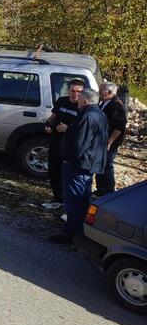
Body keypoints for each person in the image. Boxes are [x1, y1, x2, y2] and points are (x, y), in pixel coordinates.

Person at [51, 89, 109, 244]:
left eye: (80, 98)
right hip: (88, 164)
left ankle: (71, 233)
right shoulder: (99, 113)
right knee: (83, 198)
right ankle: (82, 230)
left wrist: (68, 159)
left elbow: (79, 144)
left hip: (78, 164)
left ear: (86, 101)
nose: (77, 101)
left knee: (74, 199)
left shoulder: (88, 116)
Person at [44, 79, 84, 204]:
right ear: (68, 90)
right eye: (72, 90)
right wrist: (48, 124)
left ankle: (68, 201)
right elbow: (53, 117)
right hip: (56, 142)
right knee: (53, 170)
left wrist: (68, 129)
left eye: (78, 91)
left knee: (66, 174)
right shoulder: (62, 101)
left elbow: (83, 130)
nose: (75, 94)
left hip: (71, 146)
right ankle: (57, 198)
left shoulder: (83, 107)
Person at [96, 82, 127, 196]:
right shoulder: (103, 102)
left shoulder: (115, 105)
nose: (99, 92)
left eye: (101, 90)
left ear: (108, 92)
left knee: (107, 164)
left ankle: (109, 191)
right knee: (99, 163)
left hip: (110, 141)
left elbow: (119, 127)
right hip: (101, 139)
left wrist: (110, 141)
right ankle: (100, 189)